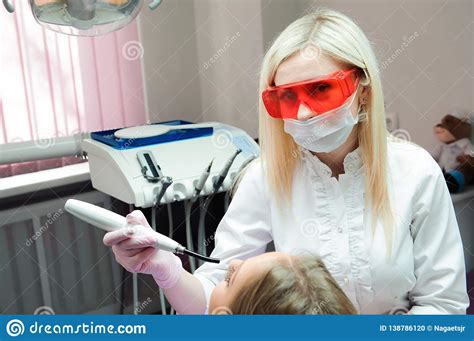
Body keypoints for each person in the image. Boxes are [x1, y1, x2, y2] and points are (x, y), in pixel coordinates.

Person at [103, 8, 469, 314]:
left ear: (363, 90)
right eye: (287, 97)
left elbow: (445, 307)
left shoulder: (415, 171)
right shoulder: (266, 177)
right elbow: (215, 298)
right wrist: (165, 268)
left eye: (321, 89)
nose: (305, 112)